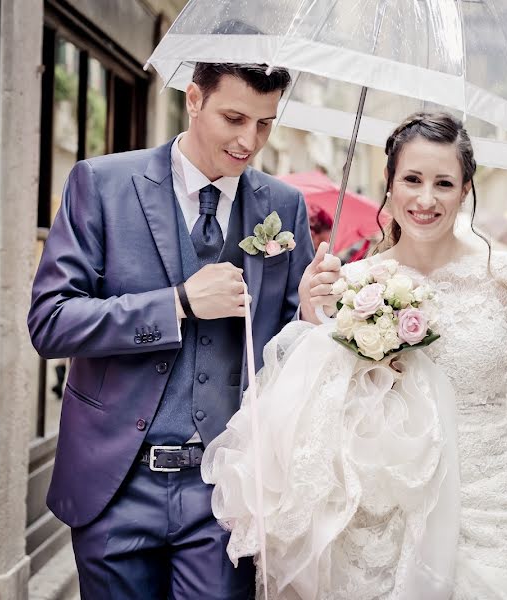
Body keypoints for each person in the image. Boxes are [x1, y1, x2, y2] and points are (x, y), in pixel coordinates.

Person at [203, 112, 507, 599]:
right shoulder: (354, 283)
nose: (426, 199)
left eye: (444, 183)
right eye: (411, 179)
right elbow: (314, 408)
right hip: (388, 499)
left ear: (465, 189)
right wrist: (311, 313)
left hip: (490, 496)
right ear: (388, 184)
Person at [27, 62, 340, 599]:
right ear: (194, 100)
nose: (249, 141)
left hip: (227, 487)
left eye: (265, 124)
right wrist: (177, 303)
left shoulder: (283, 208)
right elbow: (51, 321)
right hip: (116, 482)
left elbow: (290, 354)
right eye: (235, 118)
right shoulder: (101, 184)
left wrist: (312, 320)